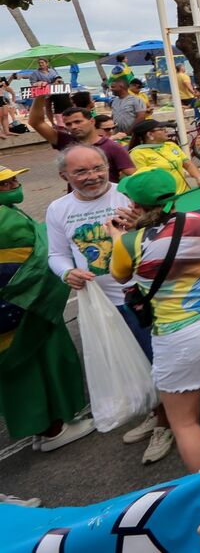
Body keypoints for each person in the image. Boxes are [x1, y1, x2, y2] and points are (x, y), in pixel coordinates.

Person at [108, 170, 200, 472]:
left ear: (134, 204)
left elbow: (120, 277)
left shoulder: (130, 242)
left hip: (178, 335)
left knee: (185, 422)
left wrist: (118, 238)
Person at [45, 144, 174, 464]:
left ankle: (167, 423)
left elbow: (166, 237)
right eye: (81, 171)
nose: (92, 176)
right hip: (101, 305)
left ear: (108, 167)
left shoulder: (128, 196)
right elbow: (56, 254)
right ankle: (156, 411)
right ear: (64, 176)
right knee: (133, 365)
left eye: (98, 168)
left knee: (158, 362)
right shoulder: (58, 209)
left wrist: (141, 223)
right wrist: (67, 273)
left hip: (141, 297)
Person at [0, 164, 92, 454]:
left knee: (23, 371)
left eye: (14, 179)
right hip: (26, 307)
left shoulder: (7, 211)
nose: (14, 185)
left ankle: (44, 428)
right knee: (39, 363)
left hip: (14, 309)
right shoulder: (5, 220)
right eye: (5, 183)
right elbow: (40, 256)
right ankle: (53, 430)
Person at [29, 98, 135, 183]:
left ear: (92, 121)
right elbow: (36, 122)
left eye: (78, 122)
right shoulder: (65, 141)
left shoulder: (112, 147)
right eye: (68, 124)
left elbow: (134, 176)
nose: (73, 127)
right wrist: (40, 95)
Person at [129, 119, 200, 193]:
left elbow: (188, 164)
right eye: (161, 129)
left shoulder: (171, 145)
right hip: (165, 199)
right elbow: (144, 181)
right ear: (150, 134)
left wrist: (199, 178)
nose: (166, 131)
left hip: (184, 193)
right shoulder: (137, 153)